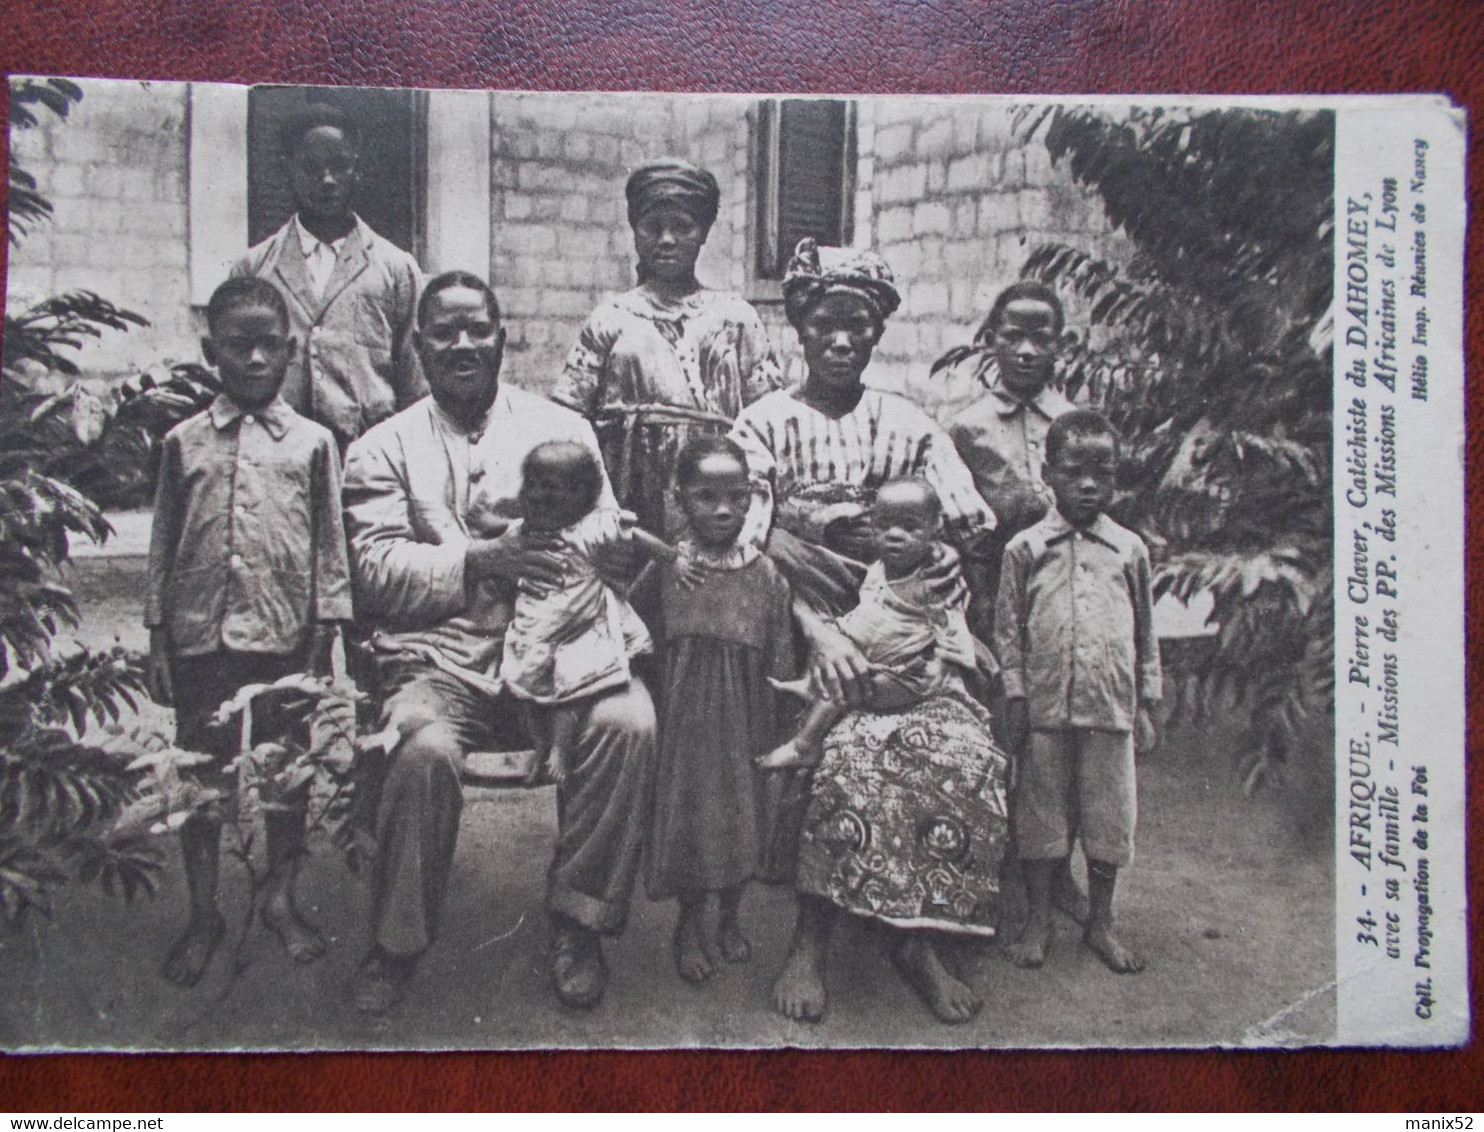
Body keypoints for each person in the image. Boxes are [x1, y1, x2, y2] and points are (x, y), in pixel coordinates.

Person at [341, 270, 656, 1015]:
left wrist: (615, 555)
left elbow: (603, 533)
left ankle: (579, 921)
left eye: (476, 328)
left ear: (501, 337)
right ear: (417, 345)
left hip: (566, 654)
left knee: (630, 723)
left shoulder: (564, 430)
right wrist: (480, 561)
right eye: (443, 331)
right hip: (439, 657)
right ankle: (396, 941)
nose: (462, 344)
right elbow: (374, 574)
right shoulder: (381, 447)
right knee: (420, 748)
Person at [730, 239, 1010, 1025]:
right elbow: (747, 543)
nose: (843, 339)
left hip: (909, 630)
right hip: (802, 627)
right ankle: (811, 939)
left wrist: (939, 557)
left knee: (960, 752)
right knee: (849, 747)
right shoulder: (763, 423)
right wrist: (818, 621)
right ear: (802, 330)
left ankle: (916, 936)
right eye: (827, 323)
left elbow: (965, 523)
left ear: (877, 333)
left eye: (859, 325)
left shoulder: (908, 424)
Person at [144, 276, 352, 987]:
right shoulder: (183, 442)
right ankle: (204, 914)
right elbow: (163, 541)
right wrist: (156, 636)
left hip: (282, 637)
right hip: (199, 638)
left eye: (271, 346)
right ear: (212, 351)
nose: (257, 359)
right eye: (240, 345)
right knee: (200, 782)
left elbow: (332, 542)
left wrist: (327, 631)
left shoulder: (314, 443)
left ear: (291, 351)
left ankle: (280, 899)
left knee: (284, 777)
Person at [993, 409, 1162, 974]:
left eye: (1103, 472)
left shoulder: (1129, 550)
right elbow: (1008, 630)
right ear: (1048, 474)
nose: (1089, 485)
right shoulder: (1025, 549)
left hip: (1109, 707)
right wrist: (1015, 694)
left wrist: (1146, 703)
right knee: (1042, 814)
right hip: (1044, 708)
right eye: (1074, 471)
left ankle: (1102, 923)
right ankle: (1038, 920)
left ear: (1116, 477)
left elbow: (1145, 631)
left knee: (1109, 817)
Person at [551, 158, 781, 540]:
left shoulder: (736, 317)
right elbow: (568, 419)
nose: (667, 240)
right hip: (626, 490)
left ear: (703, 233)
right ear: (635, 232)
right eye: (653, 227)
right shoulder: (611, 318)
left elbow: (767, 419)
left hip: (715, 495)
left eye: (682, 227)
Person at [636, 436, 795, 984]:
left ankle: (728, 915)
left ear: (752, 499)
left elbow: (780, 659)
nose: (723, 509)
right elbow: (636, 634)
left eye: (736, 496)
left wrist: (778, 732)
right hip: (685, 726)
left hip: (747, 724)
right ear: (680, 498)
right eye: (706, 496)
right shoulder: (667, 569)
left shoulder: (767, 576)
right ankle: (689, 923)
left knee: (743, 821)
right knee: (689, 821)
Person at [475, 440, 696, 785]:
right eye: (530, 483)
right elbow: (501, 527)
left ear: (583, 496)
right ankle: (541, 746)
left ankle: (560, 749)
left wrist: (673, 558)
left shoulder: (590, 529)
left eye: (549, 487)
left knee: (571, 687)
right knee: (525, 688)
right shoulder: (528, 528)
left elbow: (635, 536)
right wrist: (487, 520)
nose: (536, 495)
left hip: (578, 627)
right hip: (535, 625)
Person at [758, 478, 989, 772]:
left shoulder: (933, 579)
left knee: (842, 687)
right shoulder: (881, 566)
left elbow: (952, 628)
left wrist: (943, 666)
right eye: (884, 526)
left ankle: (804, 745)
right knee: (829, 642)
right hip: (876, 650)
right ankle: (808, 686)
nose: (894, 536)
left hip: (903, 675)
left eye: (909, 527)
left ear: (935, 529)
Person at [232, 103, 424, 453]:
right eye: (311, 167)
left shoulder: (396, 268)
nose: (327, 180)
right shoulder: (254, 269)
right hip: (281, 456)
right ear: (287, 170)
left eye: (339, 166)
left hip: (367, 459)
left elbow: (416, 387)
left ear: (357, 170)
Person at [941, 282, 1076, 634]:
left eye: (1041, 340)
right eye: (1013, 337)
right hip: (993, 589)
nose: (1027, 351)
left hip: (1067, 585)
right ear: (990, 340)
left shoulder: (1073, 424)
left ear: (1059, 346)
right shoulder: (966, 428)